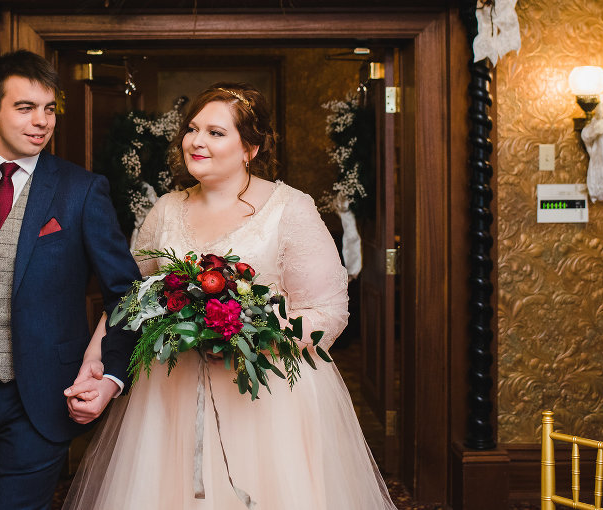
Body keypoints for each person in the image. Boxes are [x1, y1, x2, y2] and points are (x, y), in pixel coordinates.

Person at [63, 84, 398, 509]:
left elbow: (327, 311)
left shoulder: (290, 209)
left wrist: (253, 334)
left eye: (216, 132)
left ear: (250, 148)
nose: (196, 141)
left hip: (267, 399)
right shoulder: (166, 208)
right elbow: (131, 297)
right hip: (170, 396)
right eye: (192, 129)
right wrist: (96, 358)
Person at [0, 49, 140, 510]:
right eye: (25, 108)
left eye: (50, 109)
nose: (42, 121)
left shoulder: (82, 189)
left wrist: (112, 376)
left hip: (45, 396)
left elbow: (127, 292)